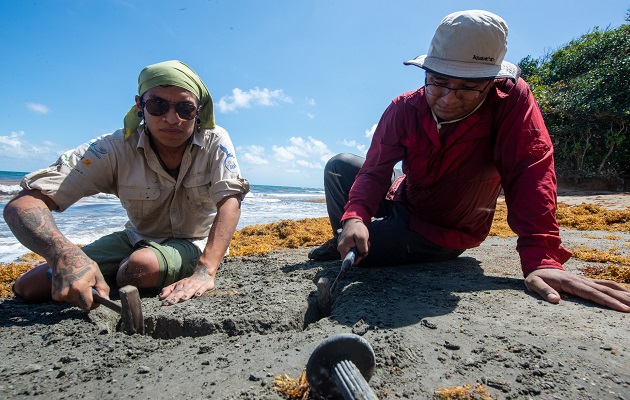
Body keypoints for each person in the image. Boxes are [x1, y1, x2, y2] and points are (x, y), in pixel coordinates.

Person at [308, 10, 630, 312]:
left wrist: (542, 259)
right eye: (438, 82)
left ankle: (355, 246)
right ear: (426, 71)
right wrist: (355, 216)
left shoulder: (510, 102)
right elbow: (375, 171)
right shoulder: (404, 107)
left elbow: (531, 173)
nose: (448, 98)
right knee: (340, 167)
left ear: (491, 82)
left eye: (468, 87)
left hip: (440, 231)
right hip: (403, 197)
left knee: (358, 251)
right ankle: (351, 238)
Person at [4, 60, 250, 312]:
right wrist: (65, 255)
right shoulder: (112, 149)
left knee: (139, 267)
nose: (171, 118)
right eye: (158, 105)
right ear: (139, 106)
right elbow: (23, 205)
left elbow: (230, 201)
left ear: (198, 112)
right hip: (136, 238)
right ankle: (112, 272)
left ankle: (117, 273)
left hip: (194, 241)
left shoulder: (214, 141)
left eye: (185, 109)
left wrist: (205, 272)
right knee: (30, 286)